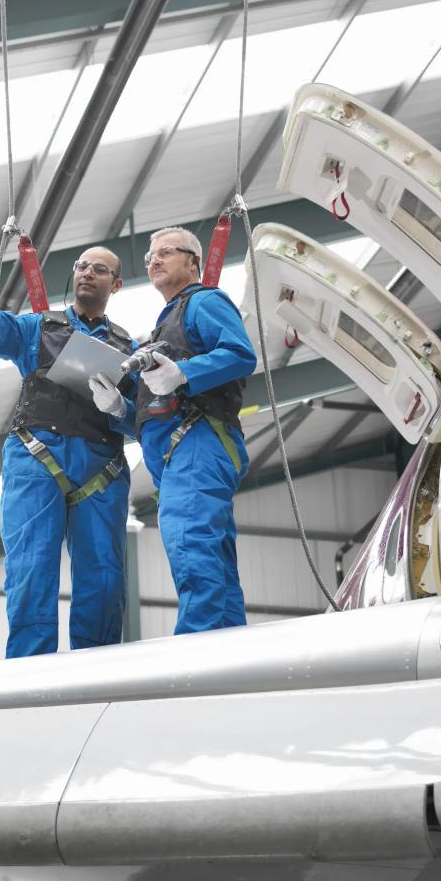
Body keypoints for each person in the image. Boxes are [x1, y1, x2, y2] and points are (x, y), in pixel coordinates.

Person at [0, 234, 136, 657]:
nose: (87, 272)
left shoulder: (129, 349)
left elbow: (144, 419)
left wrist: (121, 407)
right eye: (81, 265)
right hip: (38, 458)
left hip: (102, 467)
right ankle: (30, 674)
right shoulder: (39, 328)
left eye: (99, 269)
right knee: (31, 570)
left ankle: (100, 675)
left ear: (116, 284)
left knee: (105, 578)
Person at [131, 226, 256, 633]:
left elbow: (239, 353)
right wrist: (119, 408)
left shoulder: (203, 302)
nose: (155, 260)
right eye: (151, 255)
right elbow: (156, 406)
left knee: (191, 548)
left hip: (198, 444)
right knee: (214, 562)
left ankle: (192, 660)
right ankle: (230, 658)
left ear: (193, 262)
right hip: (181, 454)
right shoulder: (164, 327)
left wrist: (184, 372)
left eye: (166, 252)